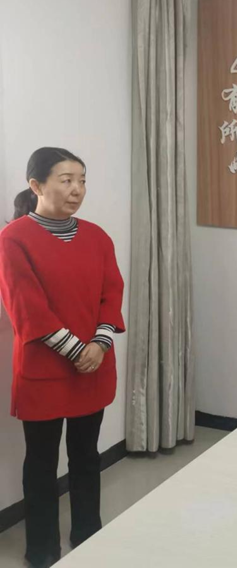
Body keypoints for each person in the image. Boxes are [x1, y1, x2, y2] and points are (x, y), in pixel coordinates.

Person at [0, 147, 125, 568]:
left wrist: (100, 344)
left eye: (82, 180)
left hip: (93, 365)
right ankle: (42, 549)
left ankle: (88, 533)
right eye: (67, 180)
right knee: (41, 463)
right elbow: (27, 308)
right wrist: (77, 350)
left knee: (86, 456)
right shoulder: (14, 238)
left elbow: (112, 293)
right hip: (45, 371)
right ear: (36, 185)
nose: (77, 190)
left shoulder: (97, 236)